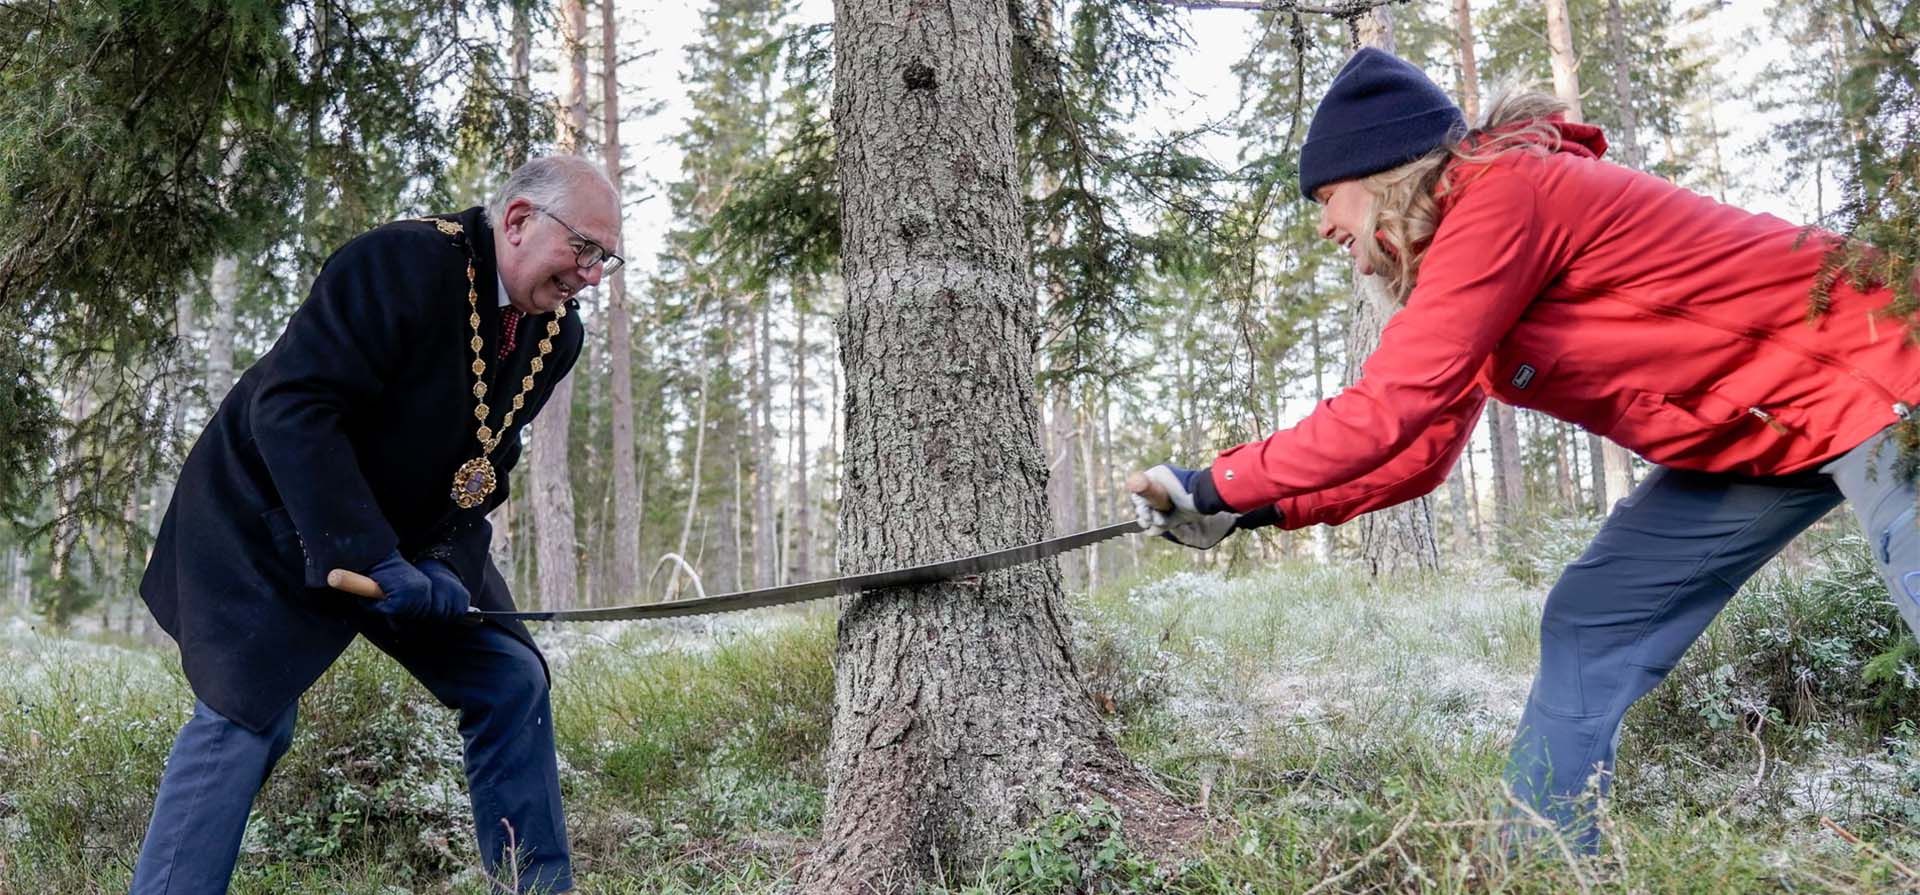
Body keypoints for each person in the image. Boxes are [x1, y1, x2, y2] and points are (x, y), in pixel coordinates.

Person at [1131, 48, 1920, 850]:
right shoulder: (1471, 257)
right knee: (1596, 613)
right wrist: (1255, 506)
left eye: (1329, 196)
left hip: (1886, 370)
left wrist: (1216, 481)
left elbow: (1391, 407)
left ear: (1384, 173)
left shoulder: (1507, 196)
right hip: (1766, 430)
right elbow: (1417, 453)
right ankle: (1541, 860)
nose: (1325, 224)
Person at [132, 155, 622, 893]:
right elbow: (292, 409)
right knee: (248, 716)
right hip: (268, 509)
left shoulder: (555, 335)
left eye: (603, 260)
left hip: (411, 530)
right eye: (583, 250)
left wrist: (445, 568)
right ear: (518, 220)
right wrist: (369, 554)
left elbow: (485, 461)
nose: (589, 275)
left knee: (509, 679)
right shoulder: (401, 261)